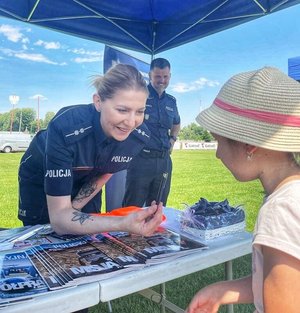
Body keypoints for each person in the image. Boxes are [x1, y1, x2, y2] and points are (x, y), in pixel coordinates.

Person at [186, 67, 300, 313]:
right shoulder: (291, 195)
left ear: (249, 144)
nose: (217, 154)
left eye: (219, 140)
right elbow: (287, 285)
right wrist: (220, 291)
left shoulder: (280, 210)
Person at [18, 63, 163, 237]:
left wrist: (74, 209)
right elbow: (59, 220)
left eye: (139, 111)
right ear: (98, 101)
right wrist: (122, 223)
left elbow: (107, 170)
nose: (131, 123)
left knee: (86, 232)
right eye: (122, 110)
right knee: (44, 233)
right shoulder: (66, 126)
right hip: (42, 176)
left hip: (89, 176)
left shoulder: (139, 136)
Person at [123, 58, 181, 207]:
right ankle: (127, 232)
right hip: (141, 160)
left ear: (170, 76)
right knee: (132, 208)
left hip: (163, 161)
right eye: (158, 76)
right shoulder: (139, 95)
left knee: (158, 208)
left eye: (165, 76)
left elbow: (176, 123)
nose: (162, 80)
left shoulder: (171, 101)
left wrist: (173, 139)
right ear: (150, 75)